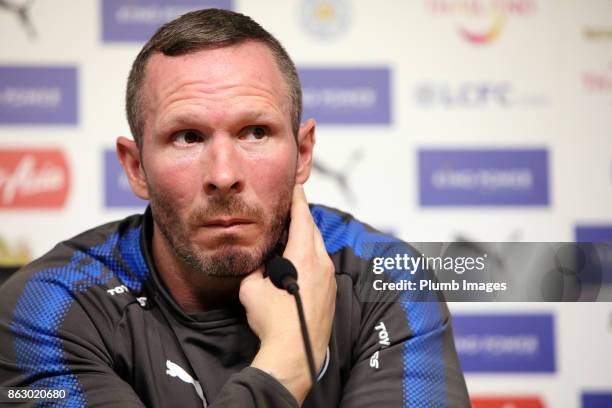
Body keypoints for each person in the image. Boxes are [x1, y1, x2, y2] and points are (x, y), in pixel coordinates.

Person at [0, 8, 470, 407]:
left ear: (303, 154)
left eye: (255, 133)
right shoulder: (45, 305)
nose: (223, 175)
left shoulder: (388, 278)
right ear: (135, 166)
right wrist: (286, 365)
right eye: (187, 137)